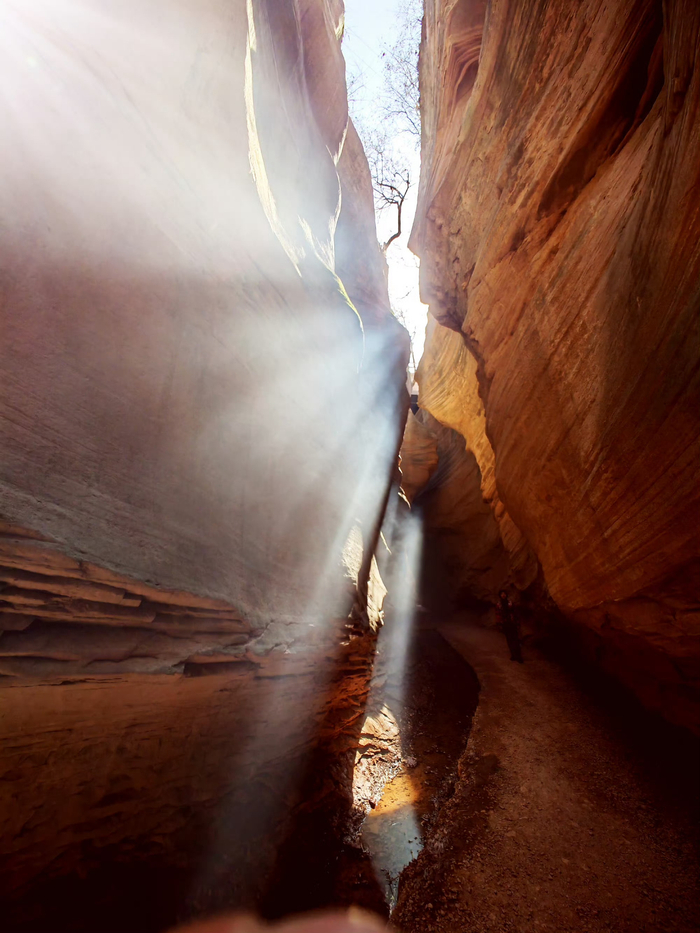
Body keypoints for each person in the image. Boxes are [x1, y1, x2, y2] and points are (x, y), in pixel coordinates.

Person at [496, 590, 524, 663]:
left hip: (512, 622)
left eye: (504, 594)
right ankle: (513, 655)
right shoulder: (499, 605)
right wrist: (500, 624)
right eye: (501, 594)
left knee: (515, 639)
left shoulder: (510, 603)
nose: (503, 595)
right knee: (509, 640)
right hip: (505, 624)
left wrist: (517, 622)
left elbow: (515, 612)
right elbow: (498, 614)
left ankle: (519, 656)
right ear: (500, 596)